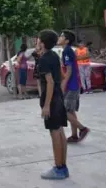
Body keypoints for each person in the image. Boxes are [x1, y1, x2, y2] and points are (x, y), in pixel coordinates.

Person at [37, 30, 68, 180]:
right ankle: (63, 167)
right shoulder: (55, 56)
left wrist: (47, 105)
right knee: (60, 131)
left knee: (54, 133)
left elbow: (49, 82)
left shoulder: (44, 59)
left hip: (52, 99)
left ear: (42, 43)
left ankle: (58, 167)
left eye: (38, 40)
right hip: (58, 97)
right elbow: (61, 76)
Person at [59, 30, 90, 144]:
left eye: (62, 36)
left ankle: (83, 129)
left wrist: (63, 85)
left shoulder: (67, 51)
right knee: (70, 111)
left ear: (66, 40)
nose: (59, 37)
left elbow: (69, 71)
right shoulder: (67, 51)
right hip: (73, 84)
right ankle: (74, 135)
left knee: (64, 111)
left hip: (71, 86)